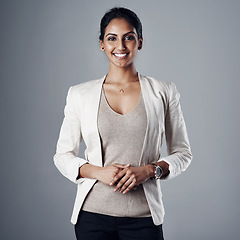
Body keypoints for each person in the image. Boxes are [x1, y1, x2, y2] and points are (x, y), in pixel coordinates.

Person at [53, 7, 192, 240]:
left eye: (129, 37)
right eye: (112, 38)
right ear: (102, 44)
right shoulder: (79, 94)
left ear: (140, 42)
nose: (121, 46)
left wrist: (149, 170)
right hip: (92, 217)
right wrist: (99, 173)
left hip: (144, 219)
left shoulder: (164, 91)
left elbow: (183, 154)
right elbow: (62, 156)